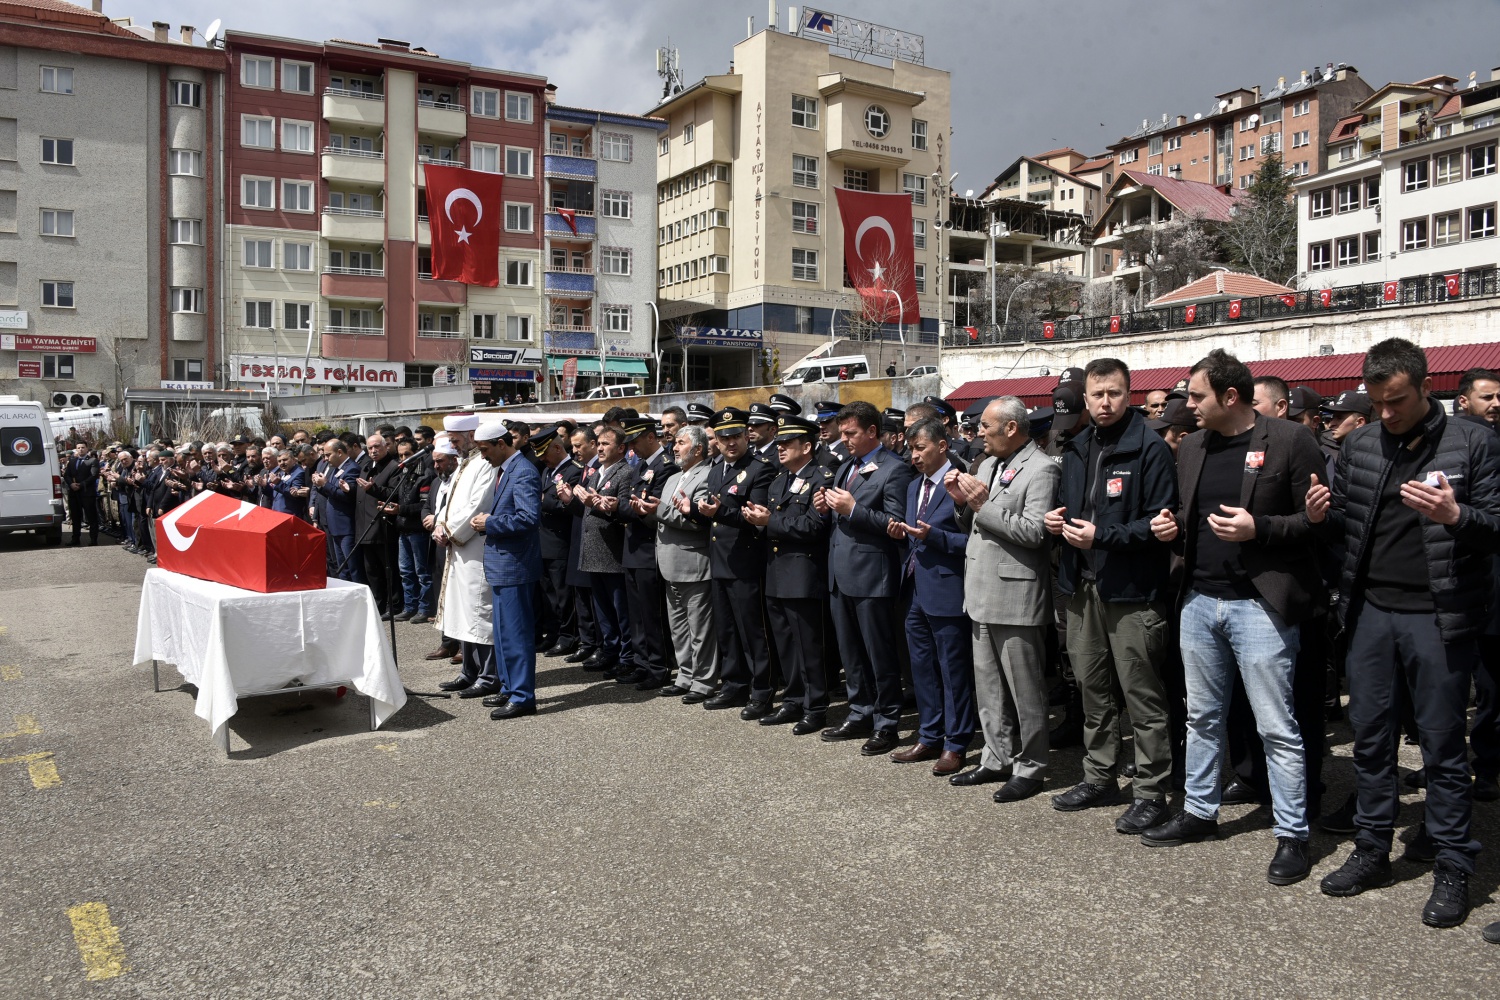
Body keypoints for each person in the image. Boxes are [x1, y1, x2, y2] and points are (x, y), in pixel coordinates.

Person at [1312, 337, 1500, 929]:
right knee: (1370, 739)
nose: (1386, 413)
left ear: (1425, 388)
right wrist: (1321, 517)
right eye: (1377, 401)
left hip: (1439, 617)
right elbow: (1347, 523)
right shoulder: (1363, 441)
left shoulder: (1474, 442)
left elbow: (1494, 524)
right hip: (1370, 613)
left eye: (1397, 401)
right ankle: (1372, 849)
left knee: (1443, 747)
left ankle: (1452, 863)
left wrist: (1456, 516)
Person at [1145, 348, 1324, 889]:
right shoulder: (1195, 445)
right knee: (1202, 716)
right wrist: (1169, 525)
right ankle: (1199, 812)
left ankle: (1292, 833)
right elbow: (1190, 511)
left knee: (1276, 725)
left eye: (1196, 396)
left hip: (1260, 606)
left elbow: (1315, 525)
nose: (1187, 405)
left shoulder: (1290, 440)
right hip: (1199, 601)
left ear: (1229, 396)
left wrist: (1260, 529)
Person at [1047, 358, 1178, 831]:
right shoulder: (1078, 447)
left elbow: (1162, 524)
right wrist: (1055, 523)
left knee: (1142, 696)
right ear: (1084, 399)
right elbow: (1072, 511)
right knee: (1092, 690)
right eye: (1097, 394)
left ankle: (1151, 791)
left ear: (1130, 395)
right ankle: (1099, 776)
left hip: (1132, 592)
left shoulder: (1150, 448)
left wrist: (1101, 536)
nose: (1105, 402)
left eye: (1115, 394)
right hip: (1082, 589)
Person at [945, 396, 1059, 801]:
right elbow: (975, 524)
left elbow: (1033, 533)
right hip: (979, 589)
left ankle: (1031, 766)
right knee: (989, 686)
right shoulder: (989, 463)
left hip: (1015, 593)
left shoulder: (1042, 468)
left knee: (1026, 690)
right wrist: (963, 505)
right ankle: (996, 757)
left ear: (1011, 428)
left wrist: (980, 503)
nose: (978, 434)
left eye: (986, 427)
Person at [816, 400, 918, 754]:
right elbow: (840, 515)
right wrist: (828, 505)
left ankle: (887, 721)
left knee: (879, 654)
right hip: (839, 574)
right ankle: (860, 711)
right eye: (842, 433)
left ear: (872, 431)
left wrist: (853, 509)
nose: (844, 440)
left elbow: (897, 524)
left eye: (851, 433)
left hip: (873, 575)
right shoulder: (847, 466)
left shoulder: (895, 469)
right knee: (851, 653)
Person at [889, 417, 974, 776]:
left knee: (953, 669)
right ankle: (929, 734)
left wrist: (932, 538)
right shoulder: (914, 487)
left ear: (942, 445)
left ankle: (956, 744)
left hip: (947, 588)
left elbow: (974, 540)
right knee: (922, 667)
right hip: (915, 588)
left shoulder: (961, 483)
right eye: (910, 449)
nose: (914, 456)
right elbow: (915, 534)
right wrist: (902, 533)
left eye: (920, 448)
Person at [741, 415, 835, 732]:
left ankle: (816, 706)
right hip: (777, 572)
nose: (780, 447)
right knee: (785, 644)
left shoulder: (821, 478)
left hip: (804, 574)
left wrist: (769, 523)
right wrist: (756, 522)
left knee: (809, 645)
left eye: (787, 443)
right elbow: (770, 523)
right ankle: (793, 700)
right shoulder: (780, 479)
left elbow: (813, 526)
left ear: (806, 446)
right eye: (779, 442)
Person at [697, 408, 775, 714]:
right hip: (720, 560)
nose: (730, 443)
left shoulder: (760, 469)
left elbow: (755, 518)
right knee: (727, 629)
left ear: (746, 436)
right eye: (724, 437)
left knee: (752, 630)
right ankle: (733, 685)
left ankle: (763, 689)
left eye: (736, 436)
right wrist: (695, 509)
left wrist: (719, 513)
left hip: (746, 561)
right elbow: (712, 511)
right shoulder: (716, 470)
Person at [470, 421, 543, 719]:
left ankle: (523, 696)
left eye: (485, 450)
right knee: (502, 633)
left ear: (502, 443)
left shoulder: (523, 471)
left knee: (516, 633)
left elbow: (528, 518)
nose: (483, 456)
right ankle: (510, 687)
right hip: (503, 565)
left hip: (515, 566)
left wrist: (490, 523)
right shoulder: (505, 469)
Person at [649, 425, 718, 702]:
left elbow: (697, 520)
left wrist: (660, 511)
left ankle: (704, 681)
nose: (674, 448)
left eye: (680, 443)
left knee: (700, 629)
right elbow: (666, 514)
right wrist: (649, 511)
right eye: (674, 443)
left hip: (693, 562)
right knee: (678, 627)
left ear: (698, 449)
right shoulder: (672, 478)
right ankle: (685, 675)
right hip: (668, 562)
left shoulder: (709, 475)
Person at [433, 415, 498, 698]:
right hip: (459, 548)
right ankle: (469, 671)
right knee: (462, 611)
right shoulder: (464, 463)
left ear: (471, 434)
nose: (452, 443)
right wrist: (440, 525)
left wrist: (450, 531)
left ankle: (489, 675)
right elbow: (450, 505)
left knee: (479, 613)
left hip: (475, 547)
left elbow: (477, 506)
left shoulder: (485, 463)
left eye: (455, 439)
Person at [562, 426, 635, 675]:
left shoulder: (626, 472)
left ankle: (627, 657)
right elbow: (587, 510)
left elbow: (623, 510)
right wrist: (573, 500)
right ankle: (609, 651)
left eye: (606, 444)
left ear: (621, 448)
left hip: (612, 552)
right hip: (593, 551)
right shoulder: (597, 473)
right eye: (600, 444)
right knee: (602, 610)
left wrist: (599, 505)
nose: (601, 448)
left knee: (621, 610)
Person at [616, 417, 677, 690]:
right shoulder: (640, 465)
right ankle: (642, 664)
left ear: (650, 437)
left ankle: (659, 665)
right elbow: (631, 502)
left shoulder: (665, 467)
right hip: (633, 547)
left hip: (649, 547)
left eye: (635, 441)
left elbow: (650, 507)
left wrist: (621, 507)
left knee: (652, 615)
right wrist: (623, 506)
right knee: (637, 614)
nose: (632, 448)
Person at [533, 429, 582, 657]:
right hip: (544, 541)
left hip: (561, 541)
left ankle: (568, 636)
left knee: (563, 596)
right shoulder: (547, 471)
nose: (542, 458)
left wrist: (544, 500)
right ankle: (553, 634)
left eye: (545, 453)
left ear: (557, 447)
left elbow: (567, 506)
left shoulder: (573, 471)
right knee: (548, 595)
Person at [422, 438, 462, 663]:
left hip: (456, 543)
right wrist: (428, 519)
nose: (436, 466)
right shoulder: (437, 482)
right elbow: (428, 506)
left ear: (453, 460)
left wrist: (436, 519)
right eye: (434, 462)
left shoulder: (460, 480)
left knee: (458, 596)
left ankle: (464, 647)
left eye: (440, 461)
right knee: (442, 596)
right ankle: (447, 642)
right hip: (437, 544)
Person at [389, 438, 437, 624]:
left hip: (418, 530)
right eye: (400, 455)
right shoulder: (404, 473)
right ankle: (410, 607)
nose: (404, 458)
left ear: (417, 453)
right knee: (406, 571)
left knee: (422, 572)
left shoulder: (425, 474)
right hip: (403, 530)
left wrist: (401, 510)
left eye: (407, 454)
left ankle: (425, 608)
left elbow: (424, 504)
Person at [313, 438, 362, 582]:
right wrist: (320, 485)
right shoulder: (335, 469)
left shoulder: (351, 468)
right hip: (334, 526)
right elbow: (332, 493)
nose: (325, 459)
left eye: (328, 455)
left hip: (346, 526)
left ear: (339, 452)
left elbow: (346, 496)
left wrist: (325, 485)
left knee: (353, 567)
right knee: (341, 568)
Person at [62, 443, 100, 546]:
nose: (81, 449)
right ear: (76, 449)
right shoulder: (72, 461)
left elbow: (93, 475)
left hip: (87, 493)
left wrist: (81, 485)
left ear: (87, 448)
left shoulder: (93, 461)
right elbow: (66, 475)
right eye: (79, 448)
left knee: (91, 517)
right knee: (75, 517)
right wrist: (71, 484)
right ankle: (75, 539)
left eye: (83, 447)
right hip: (74, 494)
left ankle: (93, 539)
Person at [268, 445, 310, 521]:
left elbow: (294, 494)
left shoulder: (299, 473)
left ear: (294, 460)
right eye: (279, 461)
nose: (282, 463)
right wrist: (264, 485)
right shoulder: (281, 473)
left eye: (285, 460)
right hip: (277, 515)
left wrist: (279, 483)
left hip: (290, 516)